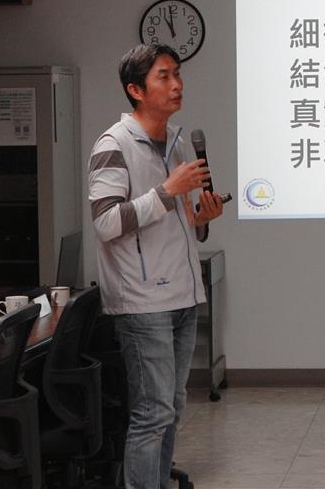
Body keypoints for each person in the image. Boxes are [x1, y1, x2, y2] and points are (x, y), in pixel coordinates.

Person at [88, 43, 224, 489]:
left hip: (183, 292)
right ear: (136, 90)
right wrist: (168, 192)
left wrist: (199, 219)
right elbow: (107, 222)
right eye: (163, 76)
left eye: (177, 74)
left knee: (173, 407)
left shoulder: (178, 141)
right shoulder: (114, 144)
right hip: (142, 300)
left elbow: (175, 221)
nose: (177, 84)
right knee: (152, 412)